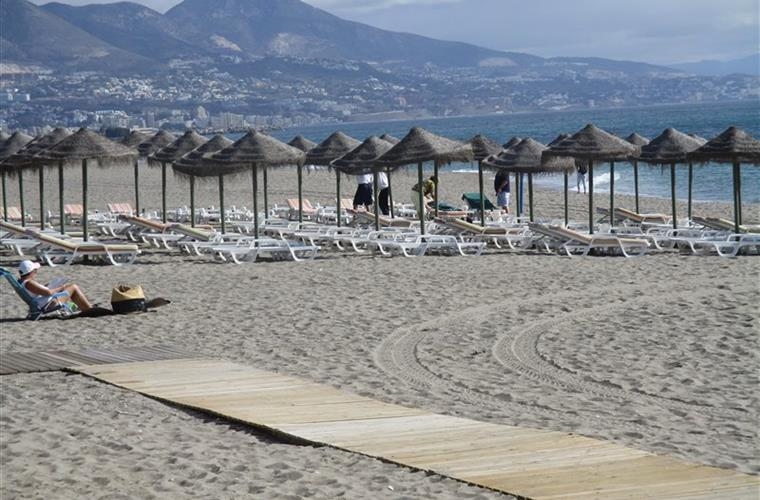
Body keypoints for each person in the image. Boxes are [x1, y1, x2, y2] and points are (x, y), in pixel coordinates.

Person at [17, 260, 93, 313]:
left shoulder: (22, 282)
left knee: (67, 287)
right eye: (35, 270)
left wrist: (46, 286)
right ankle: (88, 308)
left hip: (43, 302)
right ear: (31, 271)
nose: (36, 272)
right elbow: (48, 292)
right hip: (49, 304)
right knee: (73, 287)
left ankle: (83, 306)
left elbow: (37, 291)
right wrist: (61, 287)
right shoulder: (29, 283)